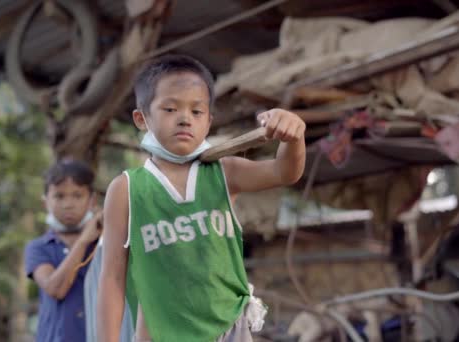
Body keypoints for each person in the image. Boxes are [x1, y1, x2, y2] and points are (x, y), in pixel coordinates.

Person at [97, 54, 306, 342]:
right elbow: (112, 278)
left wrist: (293, 136)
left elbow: (285, 172)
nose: (185, 119)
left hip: (229, 331)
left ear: (209, 121)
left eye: (197, 112)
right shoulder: (126, 189)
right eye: (170, 108)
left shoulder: (225, 172)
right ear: (141, 118)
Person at [25, 160, 103, 342]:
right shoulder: (38, 247)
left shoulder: (106, 244)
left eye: (77, 195)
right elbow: (56, 289)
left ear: (92, 200)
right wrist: (84, 240)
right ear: (45, 202)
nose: (68, 204)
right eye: (59, 196)